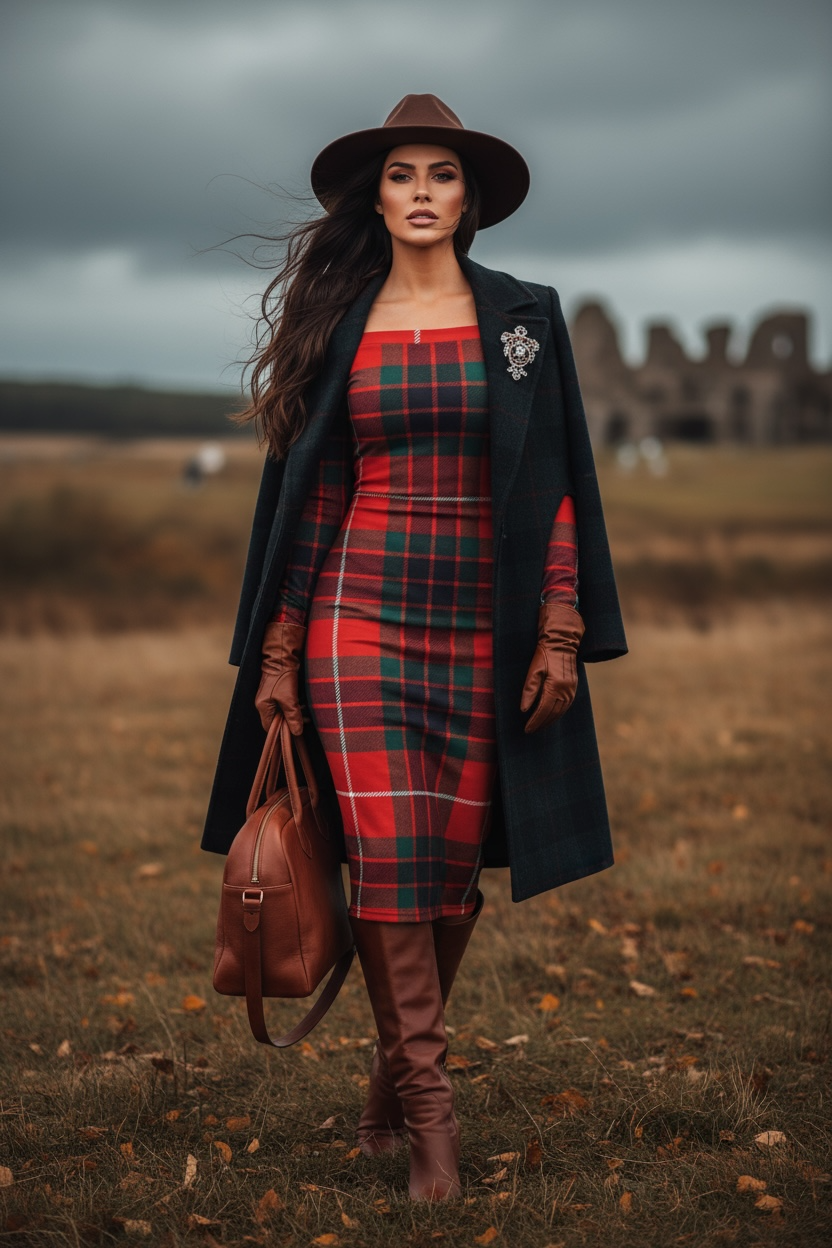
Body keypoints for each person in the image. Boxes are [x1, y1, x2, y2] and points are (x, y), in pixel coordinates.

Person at [202, 94, 627, 1201]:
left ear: (469, 198)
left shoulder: (525, 317)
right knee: (389, 855)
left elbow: (557, 488)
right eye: (402, 176)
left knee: (441, 873)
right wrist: (284, 651)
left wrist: (561, 626)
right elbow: (314, 492)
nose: (423, 192)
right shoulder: (338, 320)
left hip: (481, 623)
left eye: (442, 174)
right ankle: (434, 1121)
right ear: (375, 197)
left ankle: (387, 1090)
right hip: (358, 616)